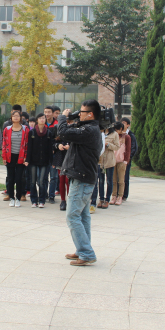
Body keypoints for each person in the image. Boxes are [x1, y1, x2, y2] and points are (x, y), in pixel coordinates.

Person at [58, 100, 102, 266]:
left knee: (72, 216)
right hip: (83, 177)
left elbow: (63, 132)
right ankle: (82, 249)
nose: (79, 114)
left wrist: (63, 117)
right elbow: (67, 131)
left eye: (82, 112)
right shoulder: (89, 128)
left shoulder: (89, 130)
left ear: (90, 114)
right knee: (83, 216)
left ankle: (86, 253)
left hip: (82, 179)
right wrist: (73, 119)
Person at [25, 113, 53, 208]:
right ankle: (34, 200)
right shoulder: (32, 132)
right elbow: (29, 147)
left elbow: (50, 148)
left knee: (42, 181)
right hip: (33, 160)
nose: (42, 119)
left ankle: (42, 200)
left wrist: (52, 161)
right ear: (37, 120)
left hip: (44, 161)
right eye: (40, 118)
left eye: (43, 118)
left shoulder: (48, 133)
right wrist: (27, 160)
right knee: (33, 181)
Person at [3, 110, 28, 208]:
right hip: (10, 156)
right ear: (11, 118)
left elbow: (27, 144)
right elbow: (4, 144)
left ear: (20, 118)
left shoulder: (25, 129)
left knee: (19, 178)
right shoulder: (7, 129)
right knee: (10, 178)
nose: (16, 117)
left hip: (21, 156)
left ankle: (18, 198)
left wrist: (26, 157)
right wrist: (4, 157)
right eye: (14, 116)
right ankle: (11, 198)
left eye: (18, 116)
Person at [97, 126, 119, 209]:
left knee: (109, 181)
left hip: (109, 160)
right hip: (100, 160)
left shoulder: (114, 134)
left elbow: (117, 147)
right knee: (100, 181)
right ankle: (101, 199)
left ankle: (107, 199)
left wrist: (108, 144)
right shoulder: (99, 132)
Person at [109, 122, 131, 206]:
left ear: (121, 129)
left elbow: (128, 150)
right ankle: (114, 195)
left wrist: (126, 160)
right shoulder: (113, 136)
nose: (115, 131)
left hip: (121, 161)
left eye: (116, 129)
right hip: (113, 160)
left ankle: (120, 196)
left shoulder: (127, 137)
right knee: (113, 180)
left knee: (121, 180)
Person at [45, 105, 60, 204]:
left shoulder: (57, 124)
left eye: (49, 112)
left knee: (53, 177)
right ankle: (44, 194)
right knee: (43, 177)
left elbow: (59, 139)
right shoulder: (41, 123)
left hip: (54, 154)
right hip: (44, 154)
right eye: (45, 112)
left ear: (52, 113)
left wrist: (54, 148)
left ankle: (51, 196)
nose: (47, 114)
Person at [51, 130, 69, 211]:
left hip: (70, 160)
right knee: (61, 181)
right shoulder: (58, 131)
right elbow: (52, 144)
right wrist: (58, 145)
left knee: (68, 181)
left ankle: (69, 200)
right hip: (60, 159)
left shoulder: (73, 131)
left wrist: (70, 147)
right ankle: (63, 201)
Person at [121, 117, 137, 202]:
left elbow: (134, 148)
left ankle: (124, 195)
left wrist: (129, 157)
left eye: (124, 123)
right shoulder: (118, 134)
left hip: (126, 160)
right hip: (119, 159)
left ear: (128, 125)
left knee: (125, 178)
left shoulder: (131, 135)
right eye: (122, 122)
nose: (122, 124)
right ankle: (117, 194)